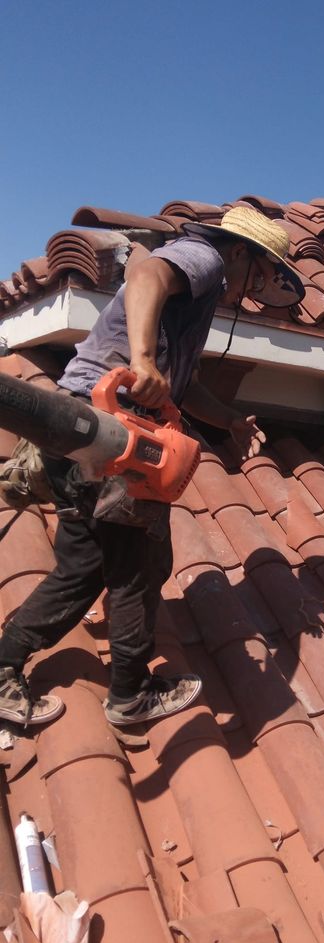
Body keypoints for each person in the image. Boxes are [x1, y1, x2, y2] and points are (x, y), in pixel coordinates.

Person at [0, 205, 305, 727]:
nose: (249, 291)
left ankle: (3, 663)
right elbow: (146, 273)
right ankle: (131, 694)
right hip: (112, 434)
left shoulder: (200, 295)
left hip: (83, 431)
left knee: (84, 567)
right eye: (257, 275)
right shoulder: (205, 259)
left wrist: (229, 421)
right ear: (239, 254)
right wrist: (141, 361)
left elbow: (183, 389)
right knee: (140, 567)